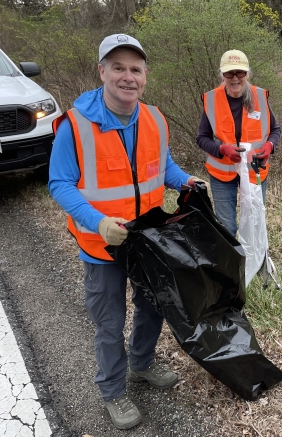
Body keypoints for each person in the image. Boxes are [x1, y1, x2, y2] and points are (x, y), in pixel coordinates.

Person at [49, 34, 206, 430]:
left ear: (145, 76)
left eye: (135, 69)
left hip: (148, 240)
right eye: (118, 67)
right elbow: (60, 183)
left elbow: (163, 167)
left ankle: (142, 364)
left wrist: (186, 182)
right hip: (102, 245)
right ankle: (112, 390)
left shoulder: (154, 118)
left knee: (153, 307)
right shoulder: (75, 125)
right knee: (109, 321)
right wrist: (99, 222)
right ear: (102, 71)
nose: (127, 76)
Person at [196, 49, 282, 237]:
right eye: (229, 73)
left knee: (254, 222)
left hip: (254, 170)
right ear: (222, 75)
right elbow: (201, 138)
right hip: (221, 174)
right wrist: (221, 149)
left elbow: (275, 130)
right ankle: (232, 256)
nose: (235, 78)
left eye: (240, 73)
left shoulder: (260, 97)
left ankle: (254, 255)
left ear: (247, 74)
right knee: (226, 227)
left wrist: (269, 146)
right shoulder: (212, 99)